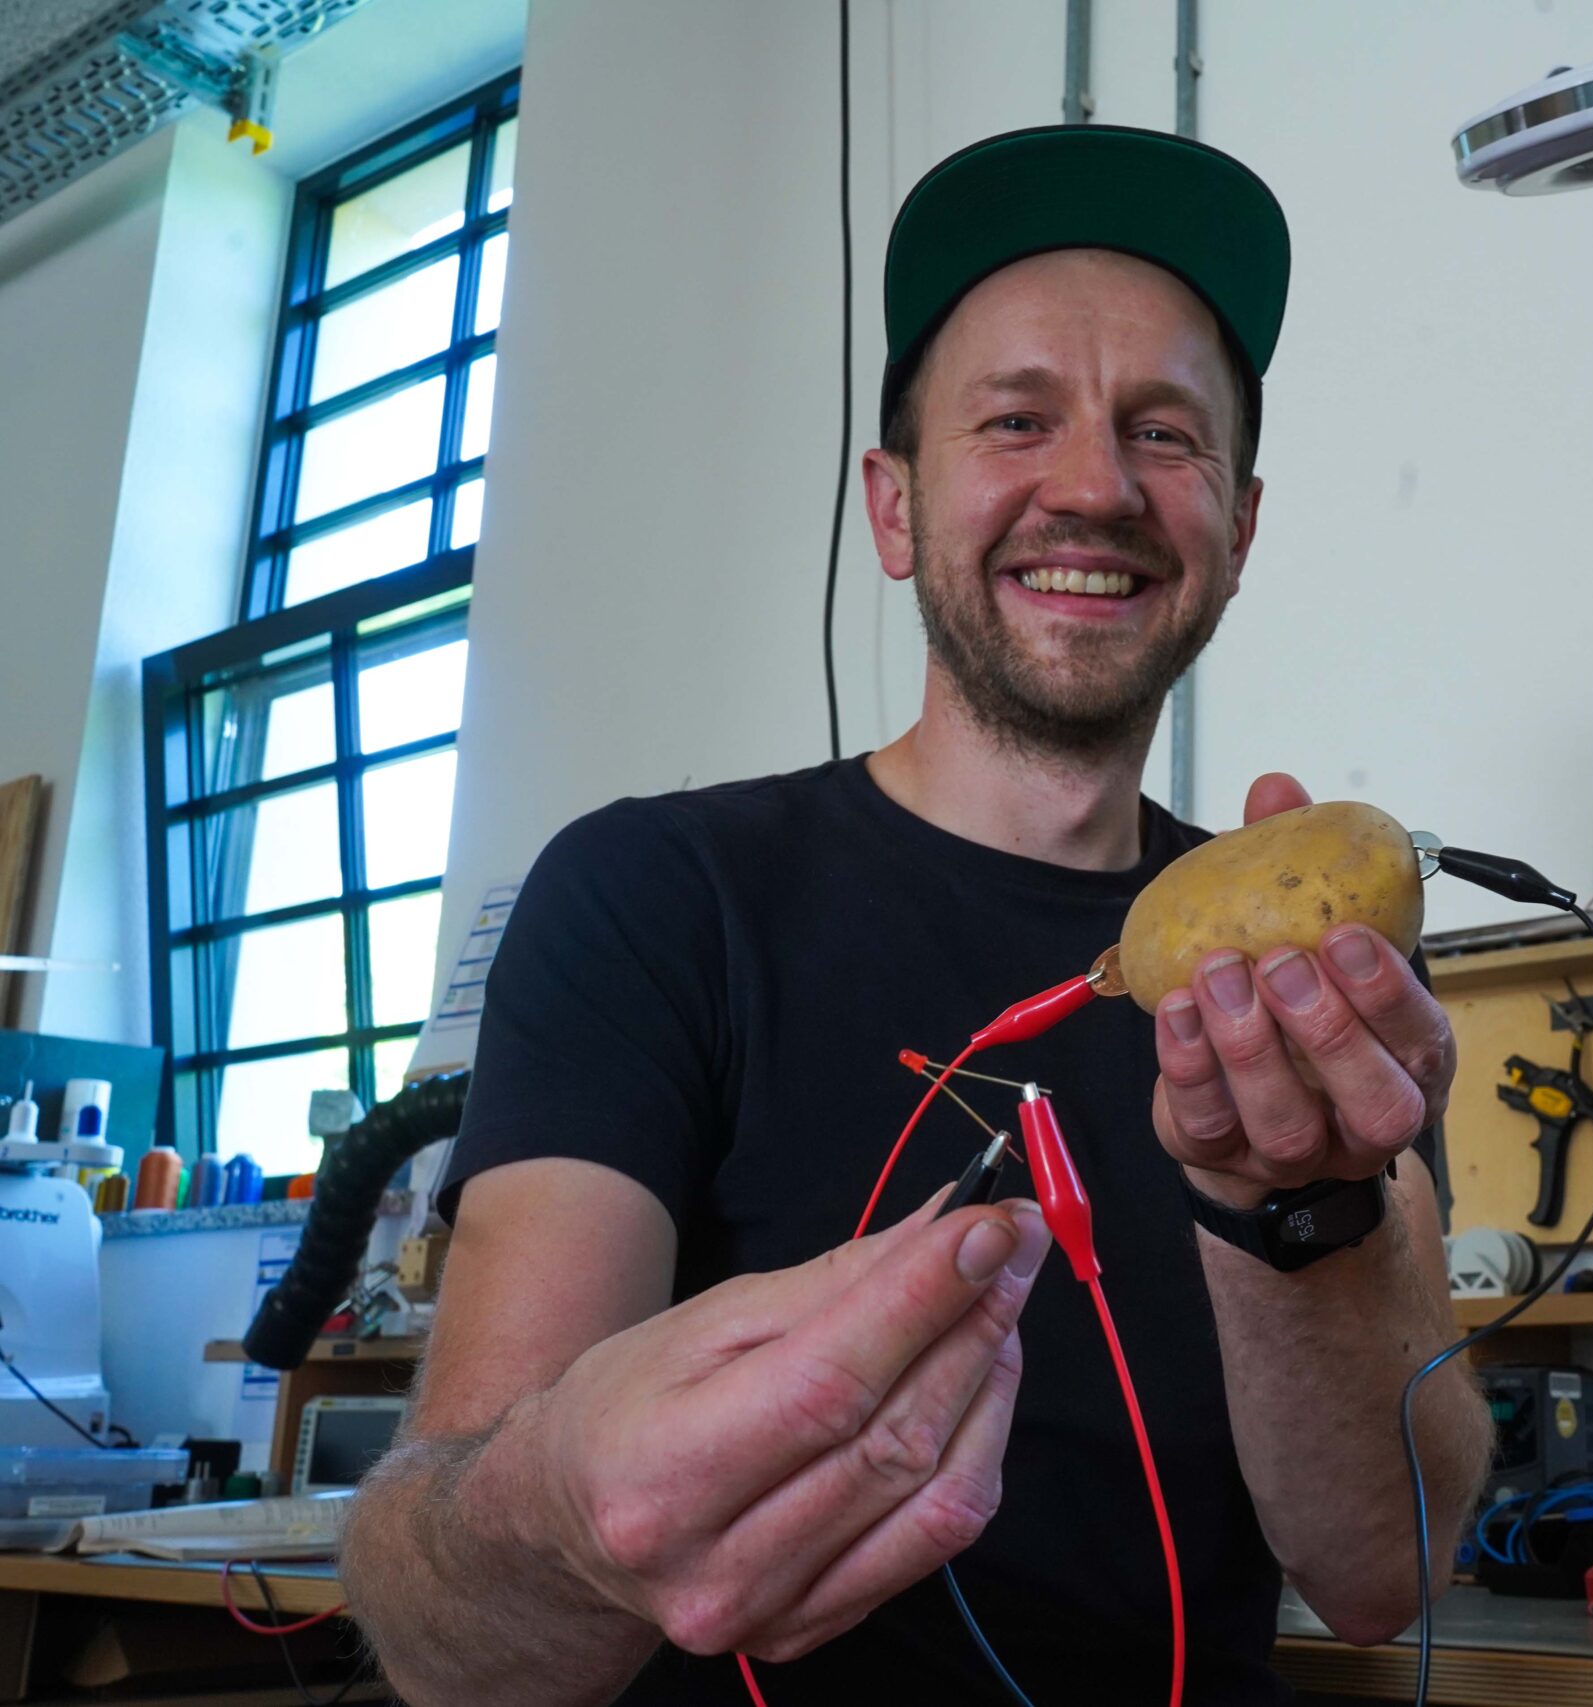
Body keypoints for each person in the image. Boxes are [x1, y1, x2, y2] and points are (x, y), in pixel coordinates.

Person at [341, 124, 1491, 1705]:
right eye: (1017, 420)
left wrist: (1292, 1207)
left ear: (1237, 528)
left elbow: (1380, 1578)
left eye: (1164, 434)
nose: (1093, 486)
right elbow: (446, 1632)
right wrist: (558, 1511)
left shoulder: (1310, 978)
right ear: (893, 511)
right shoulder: (652, 899)